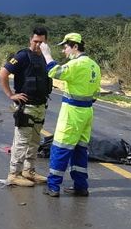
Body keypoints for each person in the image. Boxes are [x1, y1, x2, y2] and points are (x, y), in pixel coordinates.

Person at [39, 32, 102, 197]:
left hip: (72, 113)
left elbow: (54, 72)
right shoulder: (94, 65)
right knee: (80, 150)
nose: (64, 51)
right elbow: (96, 92)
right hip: (87, 112)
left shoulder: (77, 64)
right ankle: (81, 186)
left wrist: (46, 53)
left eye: (65, 47)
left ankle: (53, 187)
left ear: (75, 46)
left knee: (60, 147)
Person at [0, 27, 52, 187]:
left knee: (35, 141)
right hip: (26, 107)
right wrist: (11, 95)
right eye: (35, 41)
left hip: (40, 105)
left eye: (41, 42)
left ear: (46, 42)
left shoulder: (45, 57)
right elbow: (3, 74)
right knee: (22, 142)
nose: (38, 45)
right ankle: (13, 174)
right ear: (30, 40)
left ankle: (29, 171)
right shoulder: (22, 56)